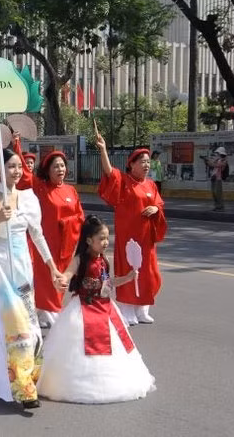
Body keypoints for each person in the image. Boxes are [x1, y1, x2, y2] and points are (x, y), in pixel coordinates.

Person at [0, 148, 65, 410]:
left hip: (22, 267)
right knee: (12, 326)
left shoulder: (29, 198)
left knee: (30, 324)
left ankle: (28, 377)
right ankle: (18, 385)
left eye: (19, 166)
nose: (17, 171)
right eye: (10, 166)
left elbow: (38, 235)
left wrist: (52, 267)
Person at [37, 215, 156, 404]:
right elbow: (67, 274)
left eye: (107, 238)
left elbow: (108, 283)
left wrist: (128, 277)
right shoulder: (79, 260)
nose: (105, 242)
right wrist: (62, 280)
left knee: (114, 346)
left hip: (106, 308)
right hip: (84, 308)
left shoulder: (103, 260)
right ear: (88, 240)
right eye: (101, 238)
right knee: (81, 348)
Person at [95, 122, 166, 325]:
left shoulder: (151, 185)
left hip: (146, 239)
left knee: (147, 272)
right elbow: (110, 173)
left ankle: (142, 309)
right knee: (129, 269)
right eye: (142, 162)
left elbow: (159, 204)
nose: (146, 165)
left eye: (148, 162)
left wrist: (156, 210)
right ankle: (127, 310)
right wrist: (103, 150)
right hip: (129, 238)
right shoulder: (124, 181)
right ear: (131, 164)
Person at [17, 150, 84, 328]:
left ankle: (47, 311)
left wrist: (69, 223)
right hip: (47, 242)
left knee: (61, 276)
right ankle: (48, 311)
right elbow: (25, 175)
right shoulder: (41, 188)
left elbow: (79, 215)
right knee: (47, 278)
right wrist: (17, 145)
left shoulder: (71, 190)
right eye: (55, 166)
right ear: (47, 170)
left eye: (62, 166)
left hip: (67, 242)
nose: (60, 169)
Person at [204, 147, 228, 212]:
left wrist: (208, 161)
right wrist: (206, 161)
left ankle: (220, 207)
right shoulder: (218, 159)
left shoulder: (224, 160)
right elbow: (211, 165)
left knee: (218, 193)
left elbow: (215, 165)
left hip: (218, 178)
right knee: (214, 193)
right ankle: (217, 206)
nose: (217, 154)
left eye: (218, 153)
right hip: (214, 177)